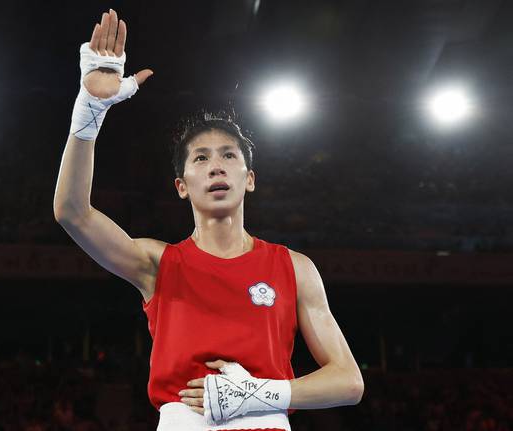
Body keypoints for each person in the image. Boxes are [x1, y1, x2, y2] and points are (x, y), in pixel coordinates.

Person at [53, 9, 364, 431]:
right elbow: (72, 211)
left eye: (228, 156)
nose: (216, 166)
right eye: (201, 158)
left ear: (248, 179)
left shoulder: (294, 268)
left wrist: (255, 393)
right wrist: (90, 109)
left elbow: (348, 382)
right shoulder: (158, 263)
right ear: (182, 185)